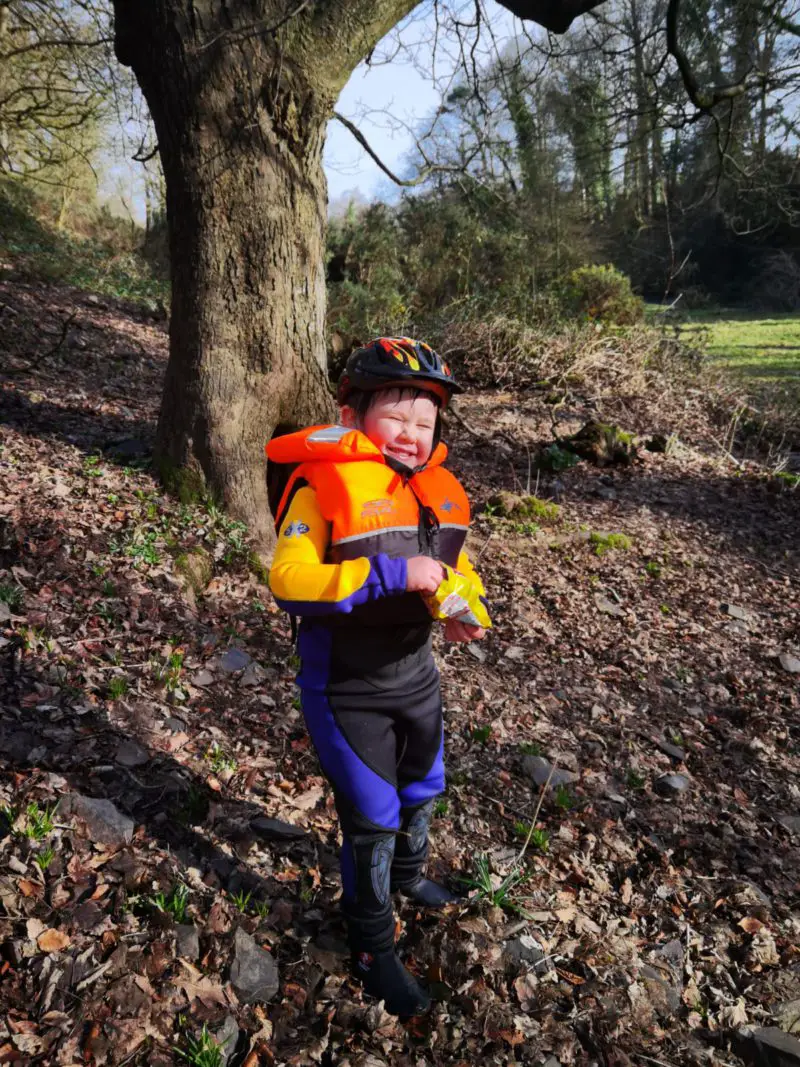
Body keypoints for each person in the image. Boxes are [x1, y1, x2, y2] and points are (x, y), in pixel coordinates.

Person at [266, 337, 486, 1017]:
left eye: (426, 423)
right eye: (398, 418)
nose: (414, 436)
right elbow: (287, 576)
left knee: (424, 786)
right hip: (346, 688)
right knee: (371, 817)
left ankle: (412, 877)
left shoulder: (435, 491)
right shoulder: (319, 482)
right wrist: (390, 573)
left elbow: (459, 568)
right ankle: (370, 945)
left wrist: (465, 609)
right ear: (352, 412)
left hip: (416, 674)